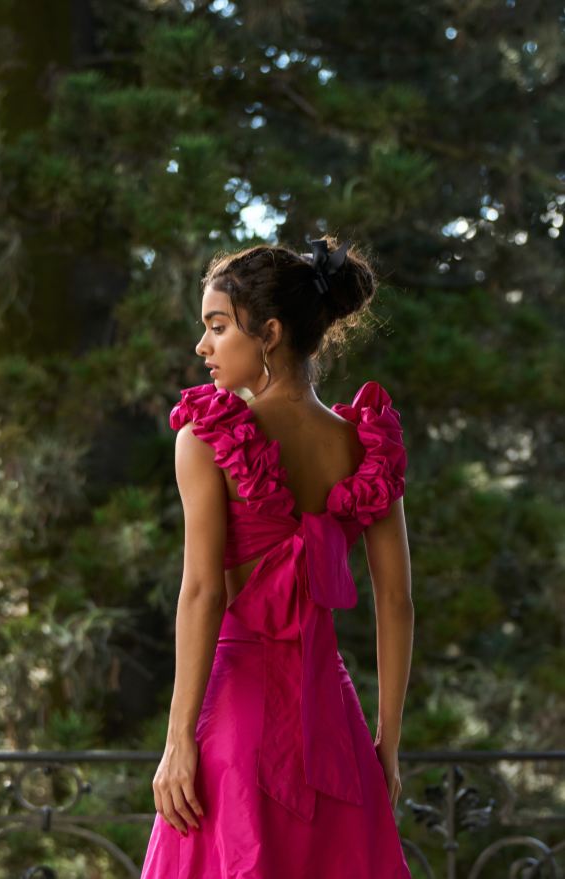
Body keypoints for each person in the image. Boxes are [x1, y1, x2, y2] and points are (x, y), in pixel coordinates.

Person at [141, 237, 414, 879]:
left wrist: (179, 739)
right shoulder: (366, 447)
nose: (202, 347)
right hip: (336, 729)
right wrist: (388, 744)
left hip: (235, 723)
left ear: (267, 333)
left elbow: (205, 594)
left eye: (216, 326)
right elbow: (396, 602)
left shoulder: (207, 439)